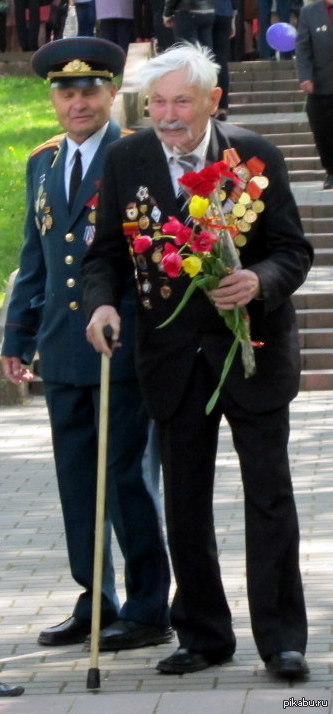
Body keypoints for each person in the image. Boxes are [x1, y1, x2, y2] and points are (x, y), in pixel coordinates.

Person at [82, 42, 313, 678]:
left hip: (251, 353)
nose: (167, 114)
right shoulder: (127, 157)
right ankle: (205, 634)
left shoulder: (254, 156)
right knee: (185, 503)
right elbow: (104, 254)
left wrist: (258, 282)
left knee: (270, 498)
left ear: (213, 100)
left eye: (181, 100)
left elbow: (294, 250)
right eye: (157, 101)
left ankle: (282, 639)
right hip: (171, 358)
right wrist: (101, 308)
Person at [1, 36, 172, 653]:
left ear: (110, 94)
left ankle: (151, 607)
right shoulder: (43, 162)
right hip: (62, 349)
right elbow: (35, 257)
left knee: (127, 477)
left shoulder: (138, 155)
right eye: (66, 91)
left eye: (91, 89)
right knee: (78, 482)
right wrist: (16, 335)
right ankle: (95, 601)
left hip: (122, 344)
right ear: (52, 98)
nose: (79, 102)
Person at [296, 0, 333, 190]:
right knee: (323, 130)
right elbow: (303, 48)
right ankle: (331, 171)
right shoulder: (309, 12)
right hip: (321, 85)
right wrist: (305, 77)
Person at [212, 0, 237, 120]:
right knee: (221, 60)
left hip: (202, 10)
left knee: (205, 60)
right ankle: (222, 107)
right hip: (225, 11)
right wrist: (233, 17)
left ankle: (209, 105)